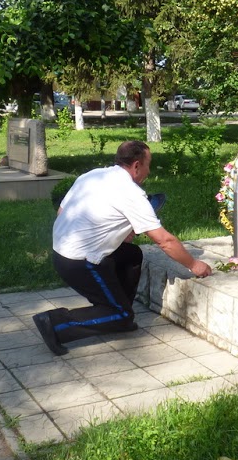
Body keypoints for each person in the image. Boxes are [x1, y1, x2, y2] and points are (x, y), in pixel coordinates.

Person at [32, 140, 213, 355]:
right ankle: (55, 323)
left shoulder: (93, 176)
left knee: (131, 255)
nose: (149, 171)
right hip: (79, 262)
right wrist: (194, 264)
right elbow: (165, 241)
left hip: (62, 251)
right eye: (148, 164)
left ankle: (115, 312)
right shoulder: (131, 194)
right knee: (122, 315)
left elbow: (62, 213)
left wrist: (112, 232)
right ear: (136, 165)